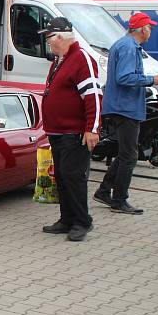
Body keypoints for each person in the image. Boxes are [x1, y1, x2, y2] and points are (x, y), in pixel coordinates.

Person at [94, 12, 158, 215]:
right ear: (142, 29)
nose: (151, 30)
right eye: (150, 27)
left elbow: (124, 77)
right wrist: (152, 80)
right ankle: (119, 200)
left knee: (126, 153)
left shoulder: (125, 45)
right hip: (124, 108)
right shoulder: (128, 47)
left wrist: (145, 84)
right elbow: (125, 77)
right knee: (129, 156)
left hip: (122, 106)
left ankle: (104, 190)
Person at [38, 17, 102, 242]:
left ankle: (82, 221)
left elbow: (92, 95)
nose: (48, 43)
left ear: (61, 37)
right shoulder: (61, 60)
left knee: (73, 177)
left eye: (49, 38)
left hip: (73, 132)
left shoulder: (81, 58)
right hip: (58, 132)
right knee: (63, 177)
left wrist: (92, 128)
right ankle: (66, 218)